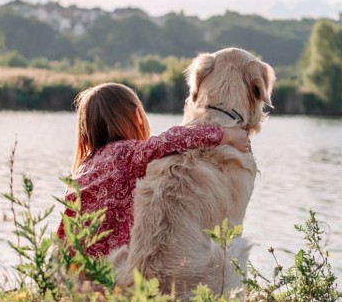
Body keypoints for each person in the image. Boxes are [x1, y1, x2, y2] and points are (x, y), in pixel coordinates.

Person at [57, 82, 249, 257]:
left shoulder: (82, 169)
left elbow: (64, 232)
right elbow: (172, 139)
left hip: (77, 271)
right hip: (112, 273)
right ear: (138, 116)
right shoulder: (127, 154)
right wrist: (225, 134)